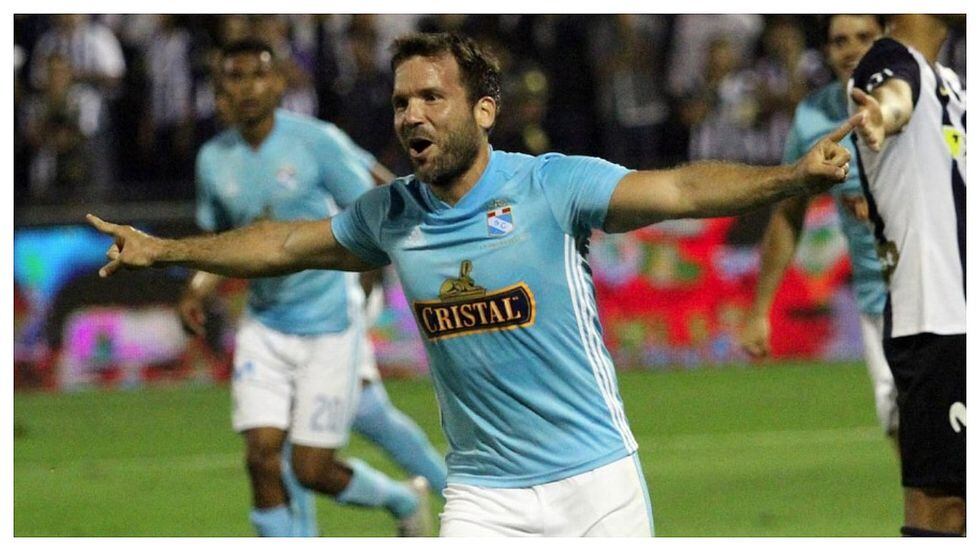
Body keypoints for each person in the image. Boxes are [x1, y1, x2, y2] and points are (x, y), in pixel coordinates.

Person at [88, 32, 858, 537]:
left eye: (432, 97)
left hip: (596, 483)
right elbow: (284, 241)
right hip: (484, 496)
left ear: (484, 110)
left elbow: (681, 189)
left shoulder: (553, 185)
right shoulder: (392, 213)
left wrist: (791, 175)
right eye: (401, 102)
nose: (411, 115)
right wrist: (165, 250)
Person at [174, 39, 435, 537]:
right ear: (220, 91)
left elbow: (370, 207)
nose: (248, 88)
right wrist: (195, 290)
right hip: (266, 325)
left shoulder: (316, 141)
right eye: (235, 77)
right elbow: (218, 241)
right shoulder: (212, 159)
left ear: (279, 83)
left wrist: (370, 277)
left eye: (258, 75)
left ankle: (403, 499)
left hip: (329, 322)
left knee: (312, 468)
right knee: (261, 456)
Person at [740, 15, 899, 442]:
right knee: (900, 427)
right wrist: (760, 311)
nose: (852, 49)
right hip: (875, 303)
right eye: (839, 41)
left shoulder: (920, 102)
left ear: (887, 37)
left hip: (940, 294)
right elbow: (789, 213)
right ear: (826, 51)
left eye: (864, 37)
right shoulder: (813, 118)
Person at [847, 15, 966, 537]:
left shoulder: (954, 83)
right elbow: (894, 97)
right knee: (943, 507)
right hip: (938, 323)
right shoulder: (889, 60)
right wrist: (884, 115)